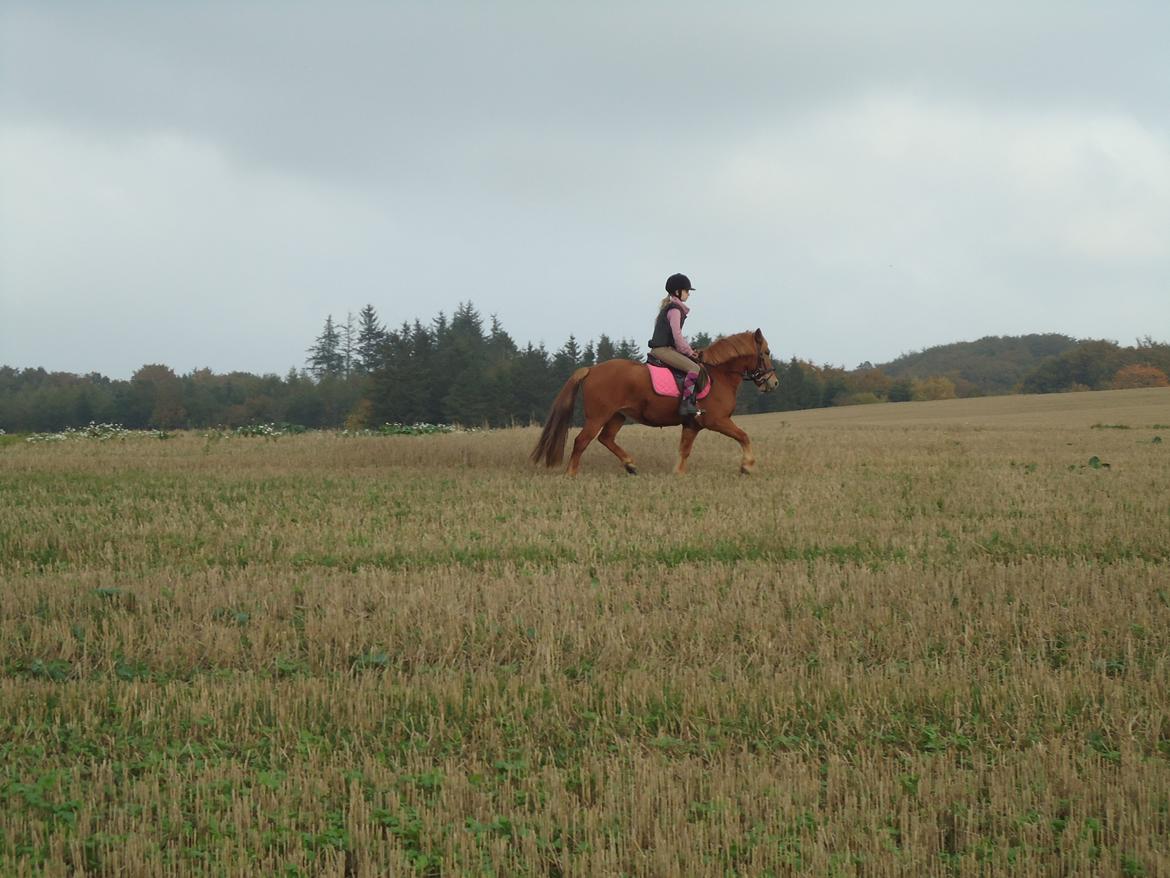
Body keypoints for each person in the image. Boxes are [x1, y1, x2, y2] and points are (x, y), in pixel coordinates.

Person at [648, 273, 703, 416]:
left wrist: (688, 349)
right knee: (694, 368)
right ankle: (686, 404)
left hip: (664, 349)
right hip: (663, 350)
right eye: (687, 291)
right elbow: (677, 336)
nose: (688, 294)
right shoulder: (675, 309)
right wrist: (689, 352)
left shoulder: (670, 307)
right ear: (678, 291)